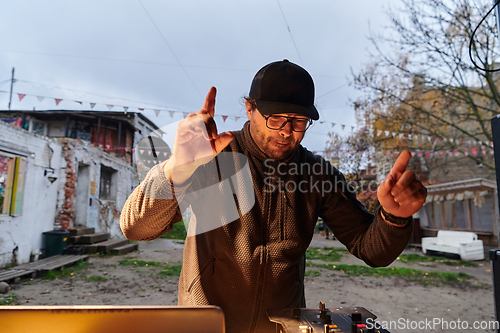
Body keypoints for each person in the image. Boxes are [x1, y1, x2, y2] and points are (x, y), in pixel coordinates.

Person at [120, 59, 427, 333]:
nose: (287, 131)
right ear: (250, 108)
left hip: (281, 329)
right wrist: (176, 169)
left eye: (299, 121)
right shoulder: (210, 156)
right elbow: (136, 228)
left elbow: (371, 249)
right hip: (207, 325)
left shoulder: (318, 174)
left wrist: (394, 217)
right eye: (277, 118)